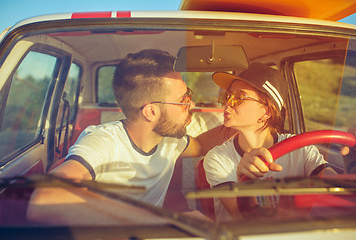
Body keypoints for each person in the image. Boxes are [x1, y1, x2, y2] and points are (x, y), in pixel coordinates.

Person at [27, 49, 233, 225]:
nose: (192, 106)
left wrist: (239, 123)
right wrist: (169, 223)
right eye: (183, 100)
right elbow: (46, 198)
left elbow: (199, 145)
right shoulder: (102, 140)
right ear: (151, 112)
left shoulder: (170, 140)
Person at [203, 62, 337, 220]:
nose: (227, 103)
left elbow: (333, 186)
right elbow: (242, 218)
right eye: (228, 96)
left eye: (238, 97)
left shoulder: (301, 149)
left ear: (266, 111)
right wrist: (243, 180)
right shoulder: (217, 159)